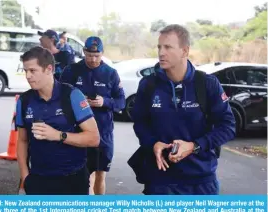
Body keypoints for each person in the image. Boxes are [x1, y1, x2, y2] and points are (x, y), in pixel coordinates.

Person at [131, 24, 236, 195]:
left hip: (201, 181)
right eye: (159, 47)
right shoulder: (148, 85)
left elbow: (228, 127)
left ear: (185, 51)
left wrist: (194, 146)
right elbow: (140, 122)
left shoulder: (207, 84)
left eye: (168, 47)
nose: (161, 52)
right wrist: (152, 143)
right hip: (160, 180)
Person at [16, 46, 100, 195]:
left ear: (49, 69)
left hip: (72, 180)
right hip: (38, 180)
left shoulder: (72, 95)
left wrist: (57, 135)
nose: (28, 76)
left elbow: (94, 138)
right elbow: (22, 140)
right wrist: (25, 176)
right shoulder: (24, 100)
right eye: (25, 71)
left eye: (32, 71)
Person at [60, 36, 126, 195]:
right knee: (81, 176)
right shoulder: (71, 71)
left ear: (102, 53)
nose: (93, 59)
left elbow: (121, 102)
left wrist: (104, 102)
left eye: (97, 56)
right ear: (84, 52)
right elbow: (60, 96)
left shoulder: (110, 73)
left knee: (100, 175)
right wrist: (78, 102)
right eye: (89, 55)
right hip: (78, 132)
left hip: (103, 133)